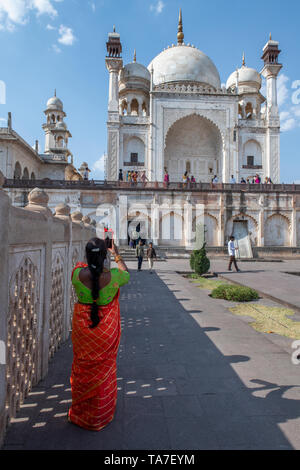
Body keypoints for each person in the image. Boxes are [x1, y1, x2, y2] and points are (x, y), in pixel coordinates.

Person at [68, 238, 130, 431]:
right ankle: (100, 413)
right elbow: (126, 274)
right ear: (105, 256)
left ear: (87, 255)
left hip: (83, 330)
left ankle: (80, 412)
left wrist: (93, 258)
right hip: (106, 332)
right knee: (105, 367)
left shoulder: (77, 274)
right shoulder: (115, 276)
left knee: (82, 365)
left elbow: (82, 267)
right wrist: (116, 254)